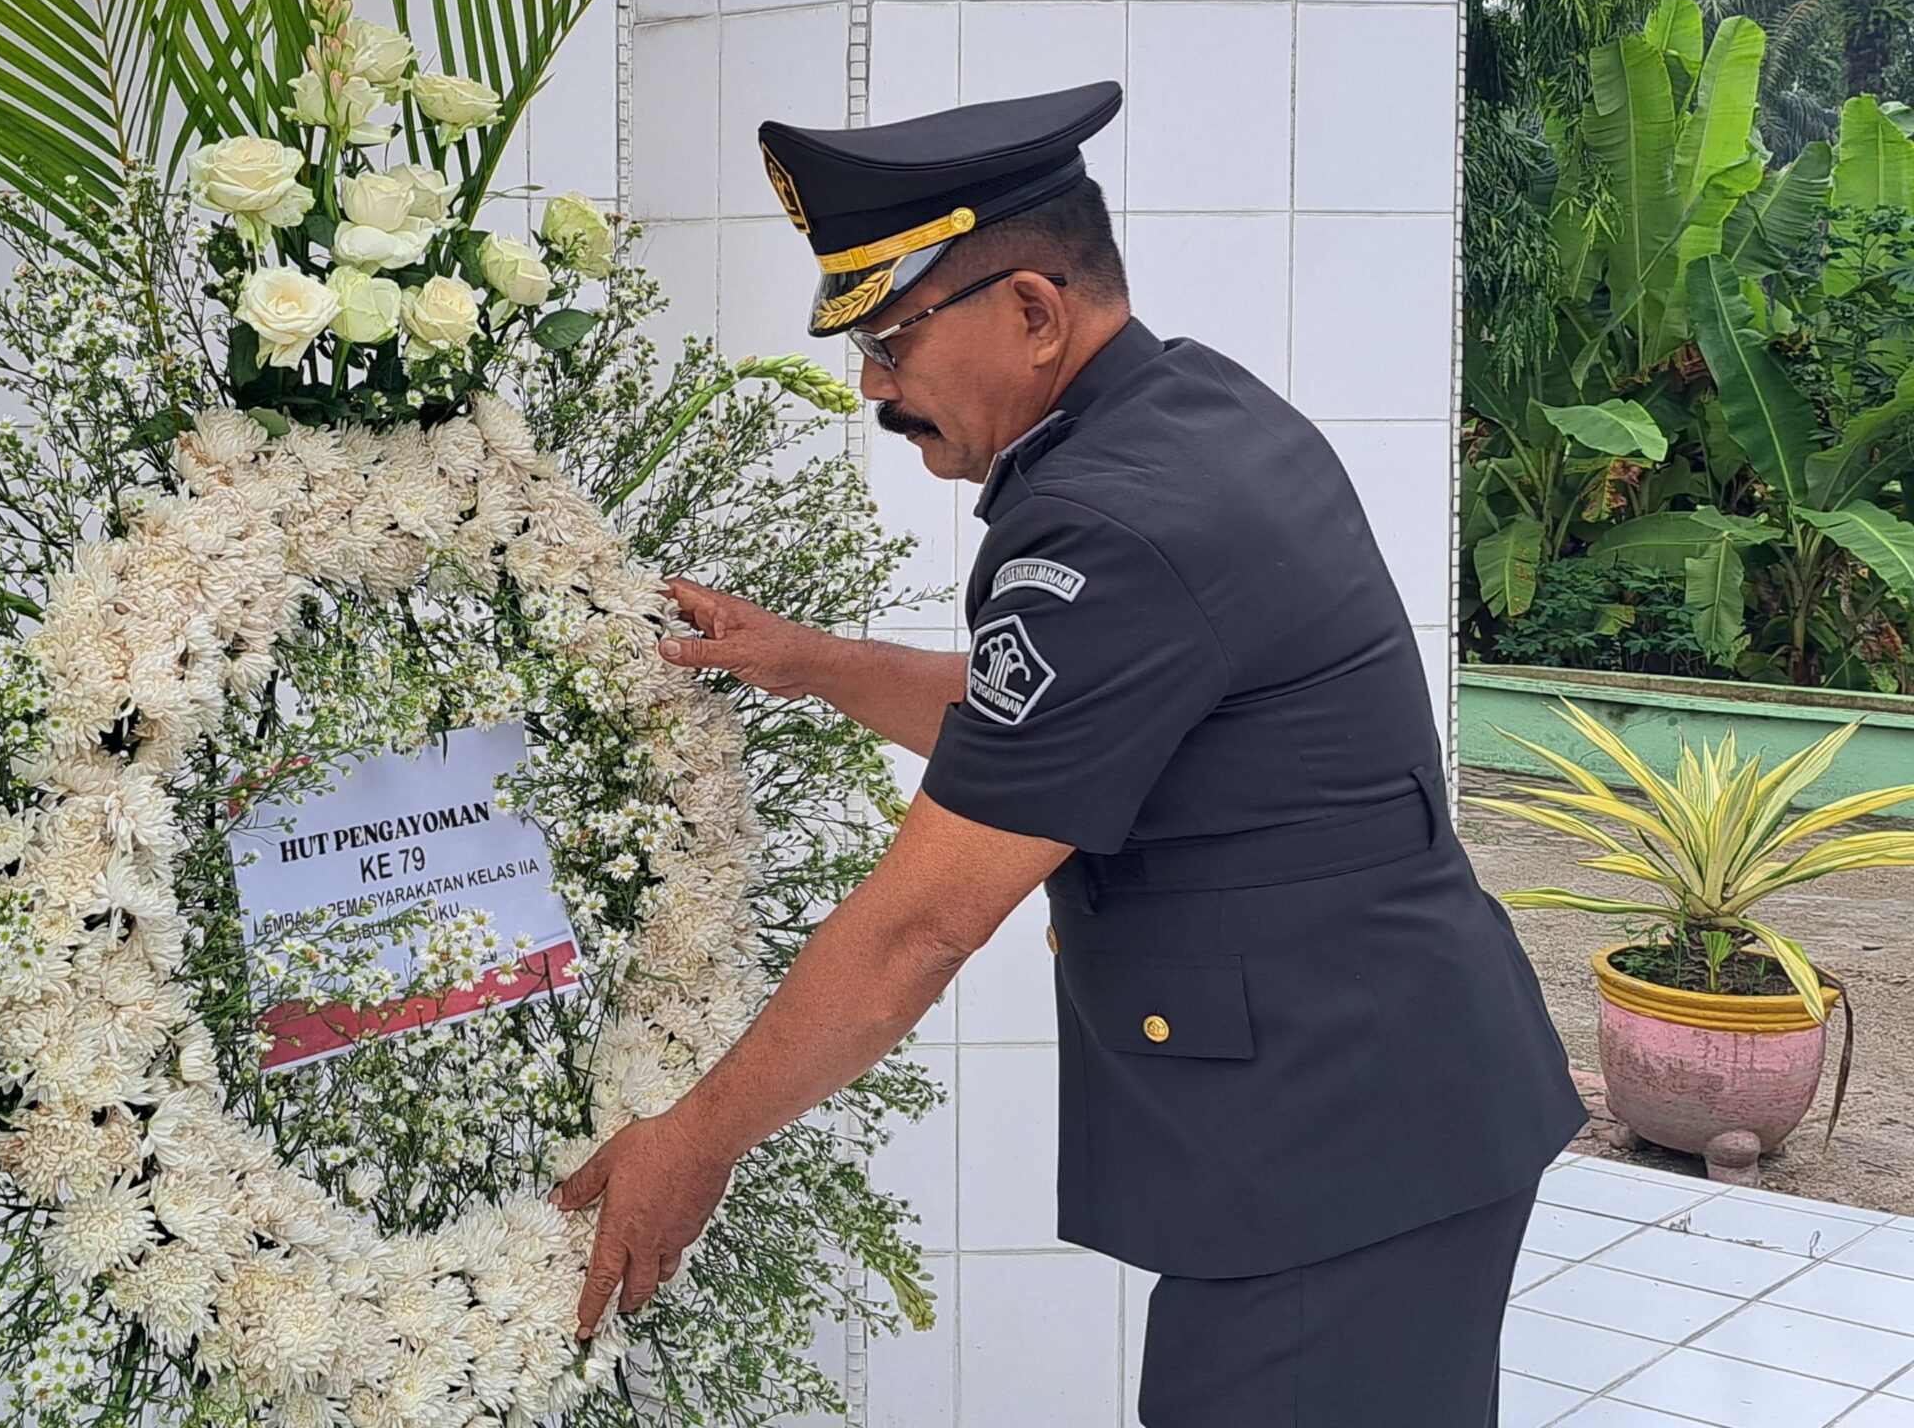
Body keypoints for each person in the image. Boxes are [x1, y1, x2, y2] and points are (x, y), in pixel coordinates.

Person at [553, 84, 1584, 1425]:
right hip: (1386, 1102)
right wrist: (801, 659)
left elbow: (920, 925)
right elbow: (1063, 731)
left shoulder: (1114, 528)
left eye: (891, 335)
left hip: (1337, 1152)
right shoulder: (1189, 410)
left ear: (1034, 313)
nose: (874, 383)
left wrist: (691, 1144)